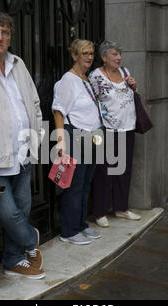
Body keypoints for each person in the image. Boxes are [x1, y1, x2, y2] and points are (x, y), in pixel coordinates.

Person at [0, 11, 45, 279]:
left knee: (22, 210)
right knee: (10, 216)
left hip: (24, 156)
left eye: (4, 32)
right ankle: (30, 241)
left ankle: (12, 260)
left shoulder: (18, 64)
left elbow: (34, 105)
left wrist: (36, 146)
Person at [52, 39, 103, 245]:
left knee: (85, 183)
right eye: (85, 53)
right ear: (74, 56)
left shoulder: (86, 79)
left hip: (91, 137)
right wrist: (61, 141)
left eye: (91, 53)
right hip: (75, 136)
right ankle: (69, 230)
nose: (89, 57)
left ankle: (80, 224)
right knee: (74, 185)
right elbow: (58, 111)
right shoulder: (68, 80)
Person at [89, 40, 141, 228]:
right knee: (105, 172)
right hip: (108, 129)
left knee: (124, 170)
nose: (118, 57)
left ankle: (121, 208)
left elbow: (131, 95)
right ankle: (100, 212)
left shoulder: (125, 72)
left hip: (128, 127)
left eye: (119, 53)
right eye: (114, 54)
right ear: (103, 57)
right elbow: (91, 101)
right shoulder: (96, 76)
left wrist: (134, 86)